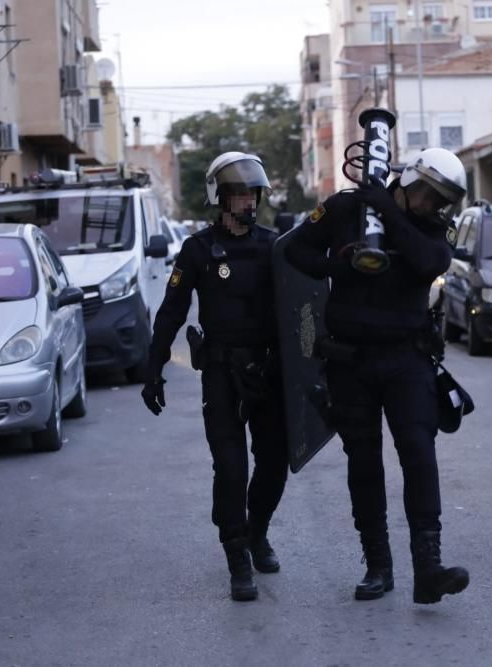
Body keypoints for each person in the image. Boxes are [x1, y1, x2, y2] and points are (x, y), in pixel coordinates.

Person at [284, 147, 470, 604]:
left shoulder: (428, 227)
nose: (432, 206)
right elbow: (294, 250)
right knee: (363, 464)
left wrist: (393, 215)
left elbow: (431, 262)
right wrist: (337, 264)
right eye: (427, 195)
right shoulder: (348, 208)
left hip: (407, 359)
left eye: (440, 201)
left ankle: (428, 569)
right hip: (350, 360)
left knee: (418, 456)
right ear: (410, 182)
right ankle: (377, 566)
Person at [140, 152, 288, 602]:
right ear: (220, 197)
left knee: (274, 464)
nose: (247, 201)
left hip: (268, 371)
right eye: (238, 193)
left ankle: (257, 531)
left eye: (252, 193)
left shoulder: (274, 245)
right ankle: (237, 553)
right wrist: (154, 368)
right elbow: (171, 312)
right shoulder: (198, 250)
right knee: (229, 467)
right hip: (222, 373)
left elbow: (305, 305)